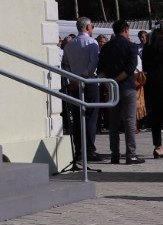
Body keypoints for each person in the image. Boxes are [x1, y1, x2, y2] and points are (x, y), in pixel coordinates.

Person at [97, 19, 145, 164]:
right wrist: (118, 80)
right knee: (130, 121)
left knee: (113, 123)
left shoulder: (106, 48)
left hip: (112, 89)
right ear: (126, 30)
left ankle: (114, 154)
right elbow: (131, 68)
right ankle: (131, 154)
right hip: (127, 87)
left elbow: (100, 70)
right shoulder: (131, 46)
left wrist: (109, 82)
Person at [60, 18, 103, 164]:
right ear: (88, 27)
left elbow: (64, 64)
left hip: (73, 83)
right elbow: (93, 63)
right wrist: (84, 76)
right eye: (92, 26)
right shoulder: (92, 43)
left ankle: (79, 150)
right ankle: (89, 150)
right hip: (88, 82)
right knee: (91, 117)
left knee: (77, 118)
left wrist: (71, 79)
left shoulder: (69, 45)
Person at [142, 26, 163, 158]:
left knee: (155, 117)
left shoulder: (147, 47)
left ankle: (158, 147)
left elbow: (144, 66)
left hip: (151, 85)